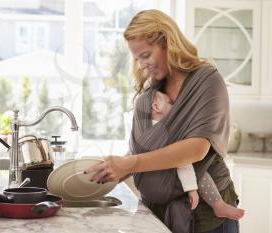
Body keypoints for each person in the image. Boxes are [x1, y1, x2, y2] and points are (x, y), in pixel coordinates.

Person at [84, 9, 243, 233]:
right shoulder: (152, 93)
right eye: (137, 58)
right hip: (157, 212)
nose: (140, 65)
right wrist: (111, 171)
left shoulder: (207, 81)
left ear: (168, 42)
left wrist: (130, 164)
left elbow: (197, 148)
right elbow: (145, 149)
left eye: (146, 55)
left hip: (206, 213)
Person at [152, 91, 244, 219]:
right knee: (200, 173)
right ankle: (218, 206)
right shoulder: (165, 131)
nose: (175, 106)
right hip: (173, 174)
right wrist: (192, 189)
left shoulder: (149, 128)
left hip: (164, 181)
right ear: (156, 107)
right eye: (170, 103)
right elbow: (182, 161)